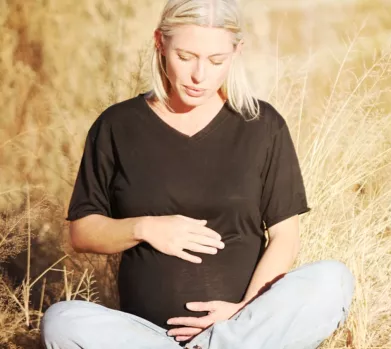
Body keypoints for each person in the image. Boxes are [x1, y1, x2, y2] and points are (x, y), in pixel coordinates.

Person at [40, 0, 355, 348]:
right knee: (62, 321)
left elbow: (285, 236)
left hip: (242, 327)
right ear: (160, 43)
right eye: (186, 57)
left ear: (237, 51)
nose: (199, 76)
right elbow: (83, 232)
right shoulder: (117, 125)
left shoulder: (262, 126)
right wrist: (146, 227)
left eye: (216, 60)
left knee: (333, 280)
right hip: (148, 338)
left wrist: (242, 312)